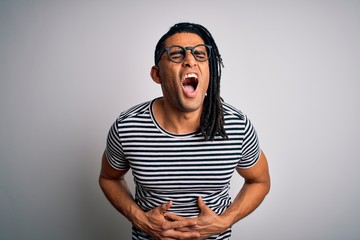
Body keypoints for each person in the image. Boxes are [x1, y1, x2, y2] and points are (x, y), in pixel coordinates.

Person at [99, 22, 270, 240]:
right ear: (157, 74)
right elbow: (108, 178)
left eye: (200, 54)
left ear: (210, 70)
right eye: (176, 54)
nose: (190, 60)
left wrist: (225, 221)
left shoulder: (237, 127)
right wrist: (139, 219)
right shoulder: (127, 126)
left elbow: (260, 181)